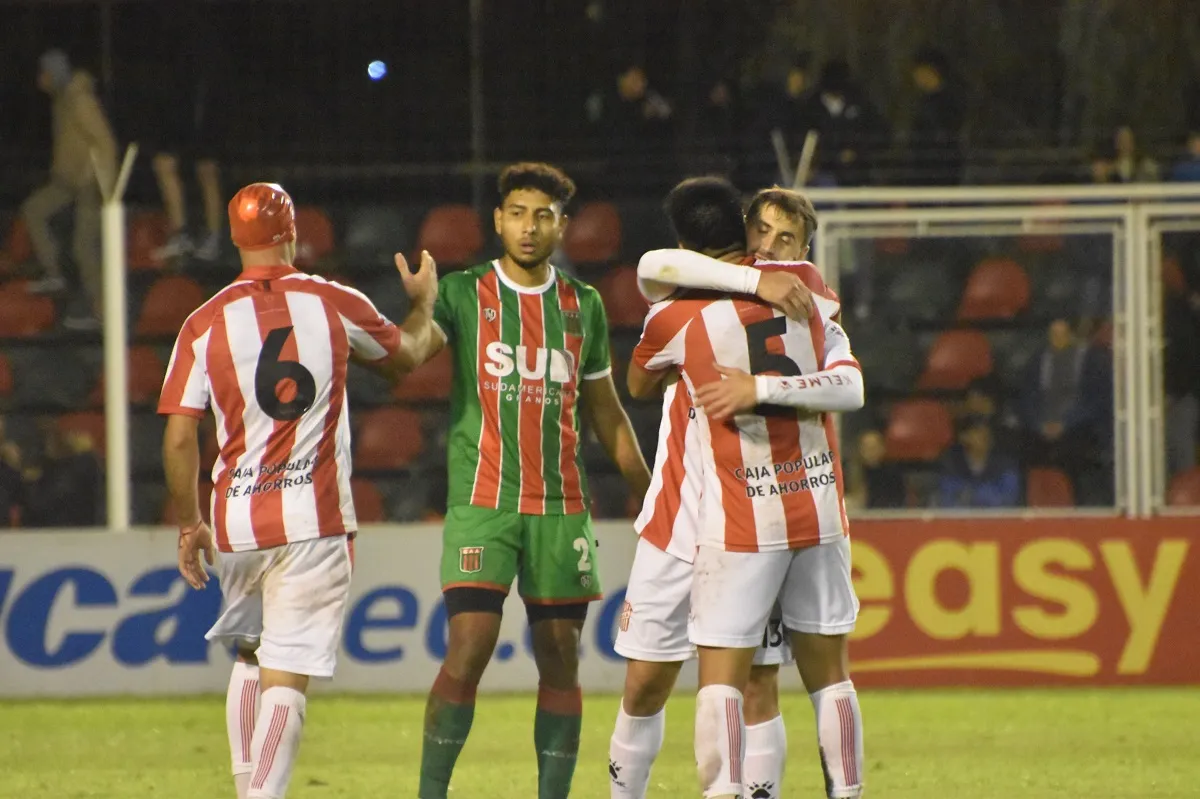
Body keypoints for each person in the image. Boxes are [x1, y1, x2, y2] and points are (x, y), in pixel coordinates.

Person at [162, 182, 436, 799]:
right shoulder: (332, 300)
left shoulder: (202, 323)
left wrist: (189, 524)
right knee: (286, 677)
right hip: (312, 518)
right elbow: (409, 355)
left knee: (251, 656)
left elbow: (180, 438)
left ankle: (246, 788)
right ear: (290, 233)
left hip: (235, 521)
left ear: (234, 240)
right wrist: (424, 304)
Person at [395, 162, 652, 799]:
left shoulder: (583, 305)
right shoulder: (463, 291)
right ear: (498, 220)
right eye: (517, 213)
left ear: (563, 225)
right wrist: (421, 307)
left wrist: (651, 489)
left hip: (561, 507)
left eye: (543, 215)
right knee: (469, 648)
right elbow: (408, 354)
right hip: (483, 501)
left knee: (561, 657)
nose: (529, 227)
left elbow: (607, 411)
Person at [628, 177, 864, 799]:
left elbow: (652, 281)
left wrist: (754, 388)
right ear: (742, 232)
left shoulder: (680, 313)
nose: (774, 246)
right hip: (813, 507)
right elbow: (850, 387)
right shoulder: (812, 293)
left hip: (741, 520)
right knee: (822, 679)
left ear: (805, 250)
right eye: (764, 232)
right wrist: (757, 280)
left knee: (726, 680)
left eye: (789, 240)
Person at [21, 49, 117, 331]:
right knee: (34, 210)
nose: (39, 80)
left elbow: (105, 143)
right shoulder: (61, 99)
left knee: (83, 248)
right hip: (66, 180)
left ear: (53, 74)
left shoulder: (79, 99)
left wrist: (99, 181)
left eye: (43, 74)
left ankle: (104, 314)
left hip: (89, 183)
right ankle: (55, 273)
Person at [935, 417, 1020, 509]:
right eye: (978, 431)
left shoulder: (1005, 464)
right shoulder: (951, 462)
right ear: (963, 437)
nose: (985, 435)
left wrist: (975, 496)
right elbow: (947, 497)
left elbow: (1009, 499)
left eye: (987, 432)